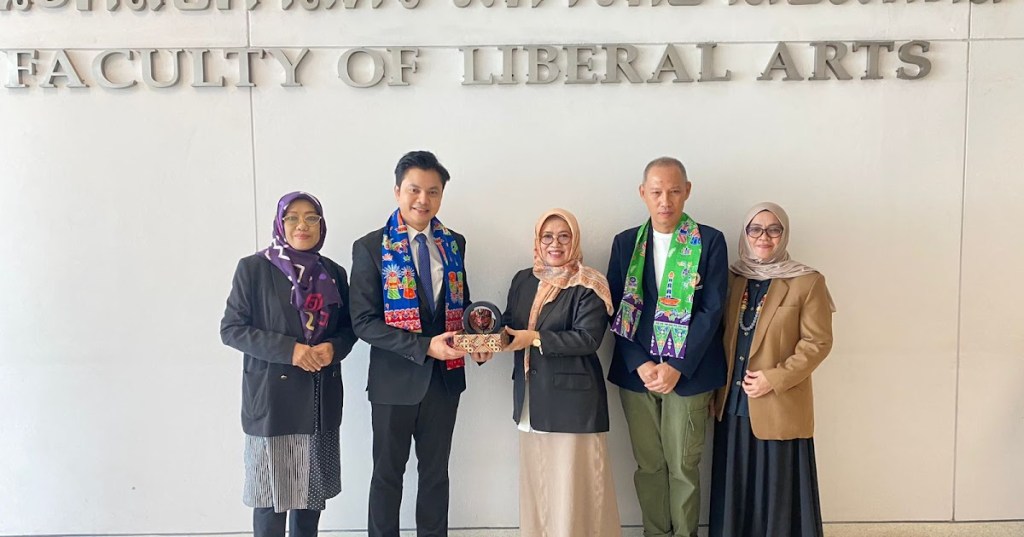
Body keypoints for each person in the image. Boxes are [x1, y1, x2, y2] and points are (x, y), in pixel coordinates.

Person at [349, 150, 491, 537]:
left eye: (432, 191)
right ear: (397, 191)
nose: (422, 200)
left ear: (441, 196)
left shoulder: (454, 243)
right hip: (394, 382)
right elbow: (362, 322)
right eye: (414, 190)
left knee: (435, 476)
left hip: (444, 381)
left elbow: (461, 306)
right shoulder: (370, 247)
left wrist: (477, 339)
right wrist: (424, 346)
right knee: (387, 477)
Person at [220, 191, 357, 537]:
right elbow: (232, 329)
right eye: (293, 217)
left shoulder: (334, 273)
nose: (302, 225)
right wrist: (290, 350)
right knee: (270, 499)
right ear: (280, 223)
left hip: (317, 400)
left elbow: (349, 329)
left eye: (312, 218)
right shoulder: (254, 269)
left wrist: (334, 349)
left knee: (310, 500)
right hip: (272, 403)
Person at [606, 157, 728, 537]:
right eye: (657, 192)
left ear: (687, 191)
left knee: (684, 467)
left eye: (674, 191)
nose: (665, 201)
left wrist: (677, 363)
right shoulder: (627, 243)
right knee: (649, 466)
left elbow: (712, 311)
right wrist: (640, 362)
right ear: (643, 193)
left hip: (689, 373)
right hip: (636, 373)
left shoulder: (709, 241)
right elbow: (616, 307)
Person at [708, 202, 835, 537]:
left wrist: (774, 378)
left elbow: (817, 343)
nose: (764, 237)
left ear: (784, 234)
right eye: (756, 229)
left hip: (778, 404)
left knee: (776, 494)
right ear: (745, 235)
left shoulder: (806, 281)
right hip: (732, 406)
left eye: (773, 229)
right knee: (736, 492)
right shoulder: (735, 278)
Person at [501, 208, 622, 537]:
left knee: (573, 488)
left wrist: (535, 339)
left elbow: (587, 338)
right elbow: (508, 322)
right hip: (531, 398)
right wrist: (484, 339)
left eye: (564, 236)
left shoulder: (589, 283)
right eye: (548, 237)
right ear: (537, 242)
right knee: (538, 484)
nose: (555, 244)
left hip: (574, 404)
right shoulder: (523, 279)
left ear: (576, 240)